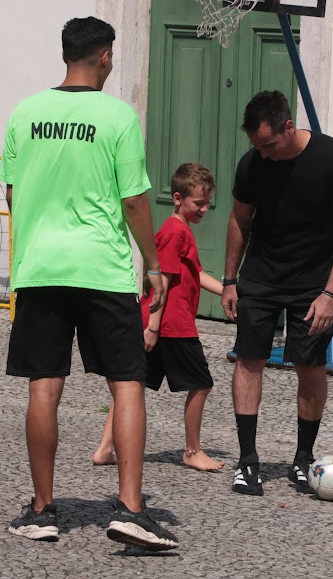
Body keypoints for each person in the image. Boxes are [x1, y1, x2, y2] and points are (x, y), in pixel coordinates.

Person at [0, 16, 177, 551]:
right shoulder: (119, 116)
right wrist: (151, 263)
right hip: (102, 269)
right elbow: (133, 201)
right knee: (126, 383)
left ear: (65, 55)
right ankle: (129, 509)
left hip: (41, 268)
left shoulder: (24, 113)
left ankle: (41, 510)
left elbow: (13, 194)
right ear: (104, 56)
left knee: (44, 386)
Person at [221, 90, 333, 496]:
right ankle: (248, 461)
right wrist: (230, 280)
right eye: (256, 146)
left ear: (288, 126)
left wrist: (331, 294)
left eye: (269, 144)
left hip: (313, 284)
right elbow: (239, 221)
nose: (263, 154)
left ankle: (303, 460)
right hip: (261, 278)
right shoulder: (252, 164)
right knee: (250, 360)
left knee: (310, 367)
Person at [93, 162, 226, 472]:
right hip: (171, 325)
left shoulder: (182, 230)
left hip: (164, 324)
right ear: (177, 198)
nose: (205, 209)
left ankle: (105, 448)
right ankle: (193, 451)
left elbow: (196, 273)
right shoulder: (173, 231)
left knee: (131, 384)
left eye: (207, 203)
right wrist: (153, 327)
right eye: (198, 203)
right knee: (201, 384)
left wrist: (228, 292)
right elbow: (162, 280)